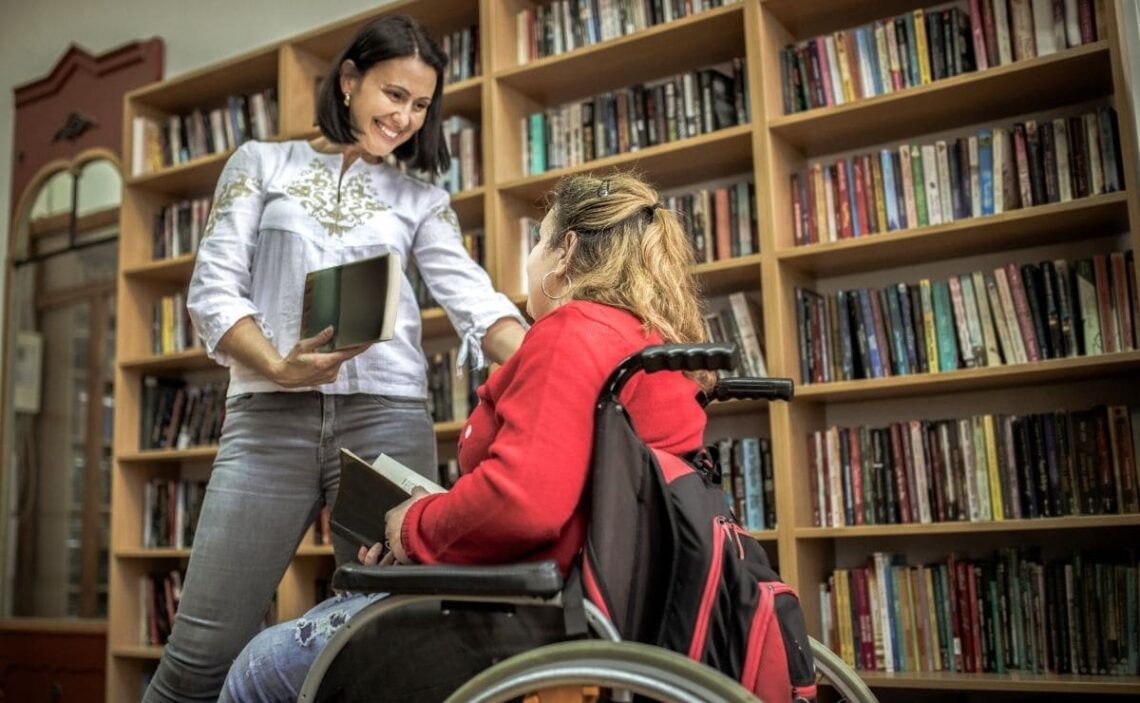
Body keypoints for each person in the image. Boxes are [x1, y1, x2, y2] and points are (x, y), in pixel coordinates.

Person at [143, 14, 527, 702]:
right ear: (349, 80)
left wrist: (559, 358)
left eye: (421, 104)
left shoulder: (422, 200)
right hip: (268, 420)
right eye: (393, 94)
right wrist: (279, 365)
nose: (405, 117)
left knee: (390, 647)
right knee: (198, 657)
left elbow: (478, 303)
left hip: (387, 424)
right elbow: (213, 289)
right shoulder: (261, 163)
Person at [220, 171, 715, 702]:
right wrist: (433, 534)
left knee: (259, 667)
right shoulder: (651, 343)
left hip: (528, 614)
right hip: (601, 603)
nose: (532, 257)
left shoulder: (571, 333)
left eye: (539, 239)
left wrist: (414, 525)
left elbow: (523, 502)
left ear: (567, 250)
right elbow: (568, 496)